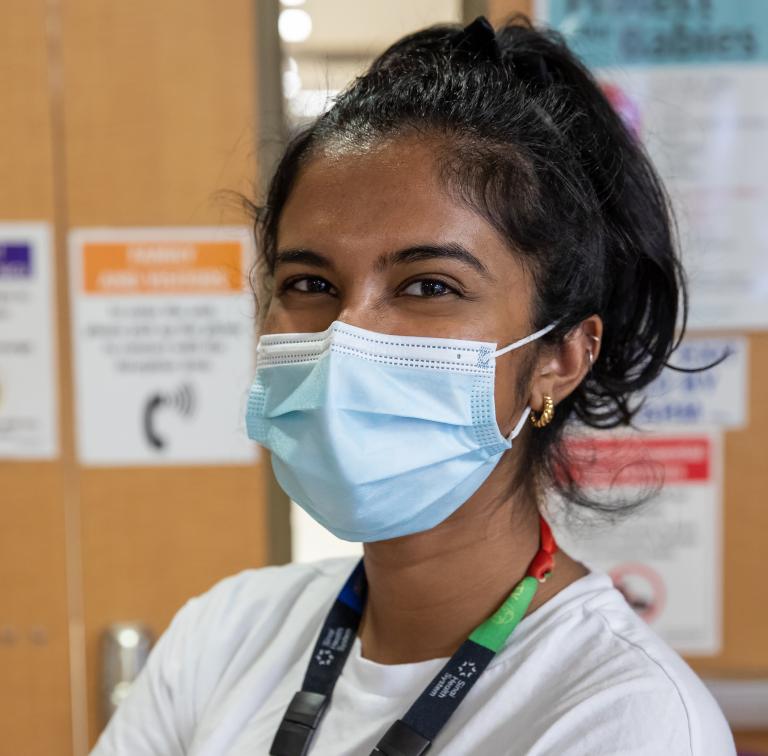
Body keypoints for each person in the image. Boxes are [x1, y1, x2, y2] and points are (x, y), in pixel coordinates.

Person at [91, 14, 735, 756]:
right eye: (309, 282)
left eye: (428, 285)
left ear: (560, 355)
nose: (346, 334)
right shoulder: (225, 636)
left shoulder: (626, 719)